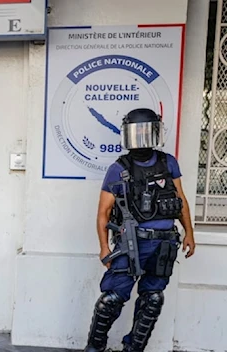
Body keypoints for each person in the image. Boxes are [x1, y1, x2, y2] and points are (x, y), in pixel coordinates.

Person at [84, 108, 196, 352]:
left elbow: (181, 199)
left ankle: (133, 348)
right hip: (132, 242)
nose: (142, 138)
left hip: (165, 243)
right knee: (111, 300)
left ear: (155, 133)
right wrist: (104, 247)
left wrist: (190, 232)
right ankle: (94, 348)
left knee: (152, 299)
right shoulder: (118, 168)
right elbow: (103, 213)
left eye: (146, 132)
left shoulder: (168, 163)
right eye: (137, 133)